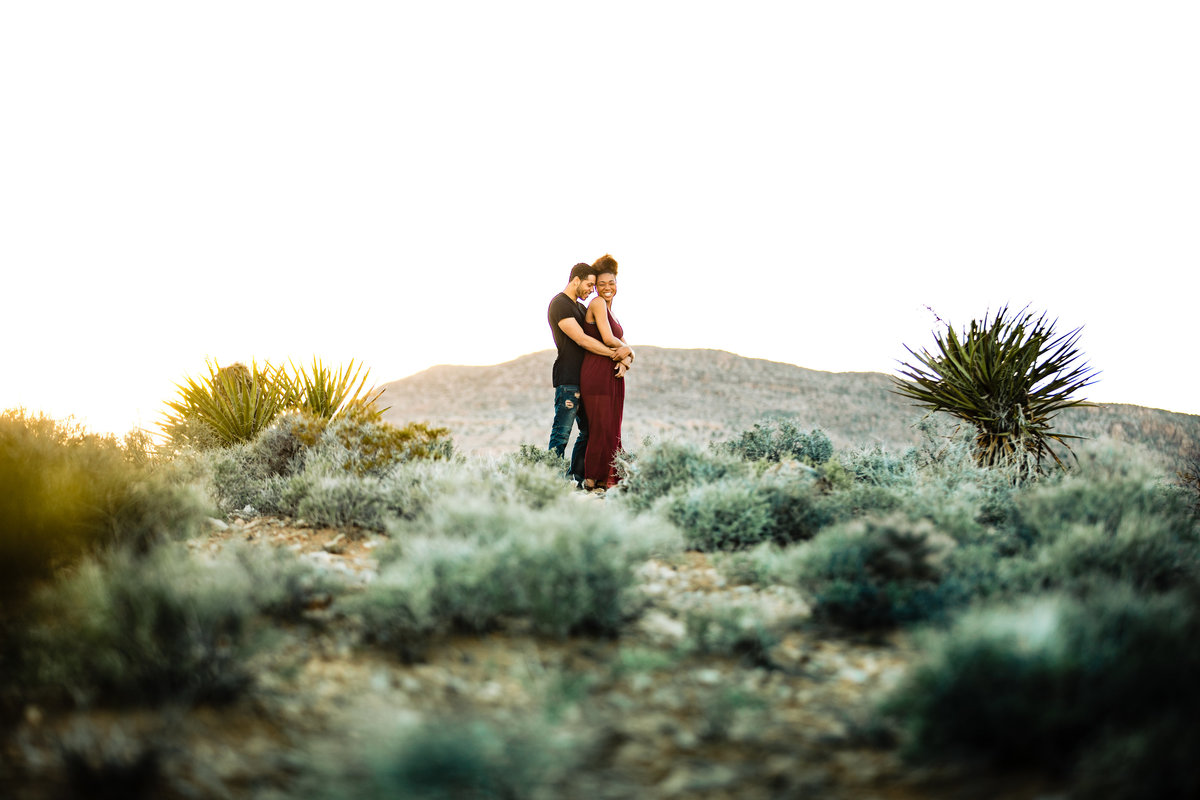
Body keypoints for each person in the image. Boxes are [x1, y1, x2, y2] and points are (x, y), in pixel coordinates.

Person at [548, 263, 631, 484]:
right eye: (590, 284)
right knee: (562, 433)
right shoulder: (560, 304)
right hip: (568, 379)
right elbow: (582, 339)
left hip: (584, 379)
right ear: (576, 279)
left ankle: (577, 477)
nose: (591, 290)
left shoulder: (581, 308)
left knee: (588, 432)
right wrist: (617, 354)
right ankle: (549, 479)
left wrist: (625, 356)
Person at [580, 254, 634, 491]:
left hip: (612, 373)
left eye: (610, 283)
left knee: (613, 425)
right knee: (600, 426)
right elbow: (609, 338)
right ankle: (592, 478)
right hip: (597, 371)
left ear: (616, 282)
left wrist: (627, 360)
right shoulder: (597, 304)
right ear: (595, 288)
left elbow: (626, 347)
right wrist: (626, 351)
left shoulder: (613, 311)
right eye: (601, 284)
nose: (607, 288)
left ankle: (607, 477)